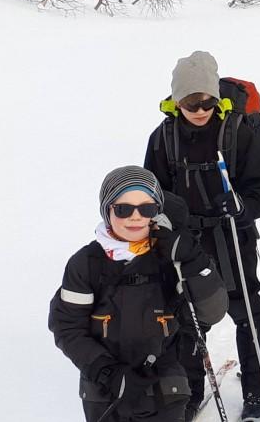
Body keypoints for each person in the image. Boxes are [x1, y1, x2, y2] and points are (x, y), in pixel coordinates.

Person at [144, 51, 260, 422]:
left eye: (206, 101)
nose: (200, 109)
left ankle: (256, 385)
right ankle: (190, 391)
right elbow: (151, 193)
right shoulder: (163, 138)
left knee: (246, 309)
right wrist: (163, 225)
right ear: (177, 101)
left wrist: (243, 206)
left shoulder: (238, 131)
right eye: (191, 102)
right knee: (188, 316)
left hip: (232, 234)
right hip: (187, 243)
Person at [49, 166, 228, 422]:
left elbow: (211, 313)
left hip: (165, 386)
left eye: (146, 208)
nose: (135, 217)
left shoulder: (172, 257)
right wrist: (107, 372)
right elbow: (67, 326)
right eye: (123, 209)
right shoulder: (86, 263)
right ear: (107, 210)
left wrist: (193, 262)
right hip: (104, 392)